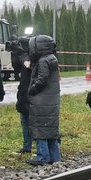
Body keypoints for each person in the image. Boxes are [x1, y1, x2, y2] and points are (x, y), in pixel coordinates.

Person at [26, 34, 61, 165]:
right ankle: (55, 157)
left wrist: (31, 90)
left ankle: (42, 157)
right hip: (50, 100)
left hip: (41, 101)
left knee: (40, 129)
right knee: (50, 130)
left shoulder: (43, 61)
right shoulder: (52, 58)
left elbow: (42, 79)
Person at [11, 38, 34, 155]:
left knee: (32, 122)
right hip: (24, 93)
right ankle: (27, 146)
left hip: (31, 94)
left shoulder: (32, 58)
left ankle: (39, 146)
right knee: (25, 121)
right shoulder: (23, 57)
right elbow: (17, 69)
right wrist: (14, 54)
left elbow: (28, 66)